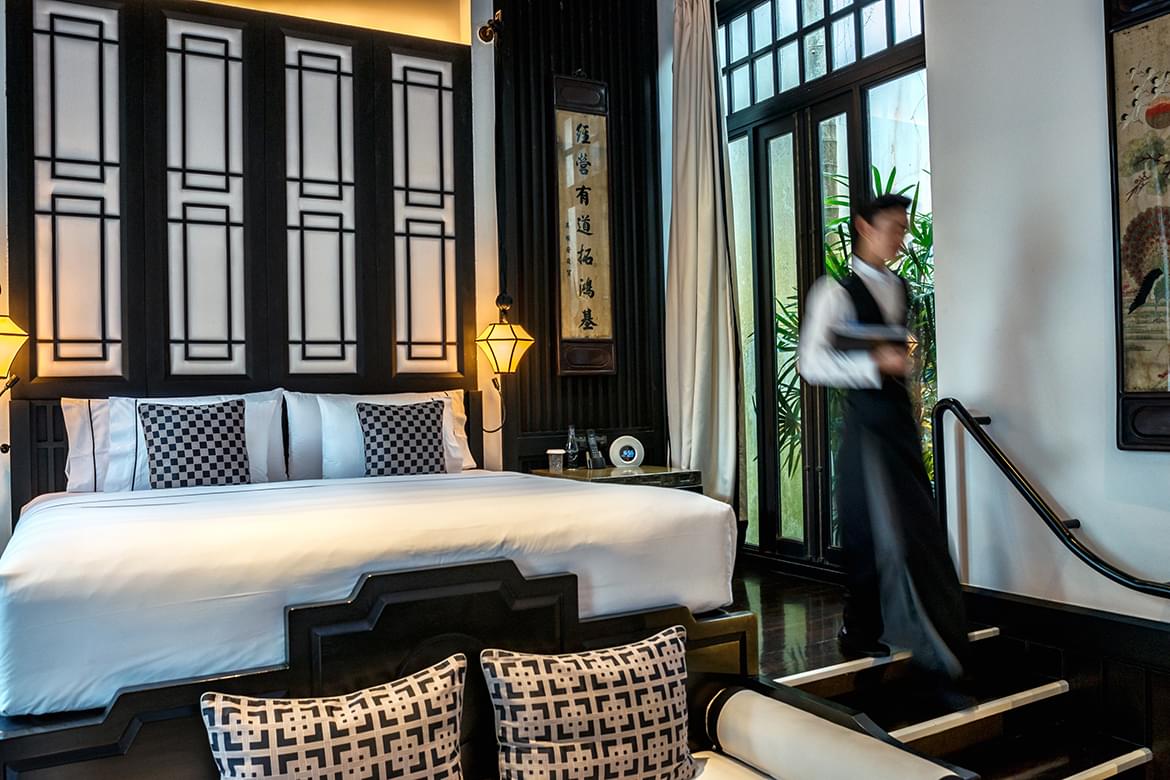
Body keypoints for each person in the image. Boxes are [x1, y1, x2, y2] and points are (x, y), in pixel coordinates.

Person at [798, 193, 969, 688]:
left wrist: (907, 373)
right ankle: (861, 630)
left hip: (899, 423)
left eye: (904, 229)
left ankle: (936, 633)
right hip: (865, 426)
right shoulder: (833, 292)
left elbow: (902, 348)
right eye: (894, 227)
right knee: (865, 529)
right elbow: (811, 363)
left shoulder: (901, 288)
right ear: (864, 227)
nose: (901, 238)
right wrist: (873, 362)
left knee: (919, 525)